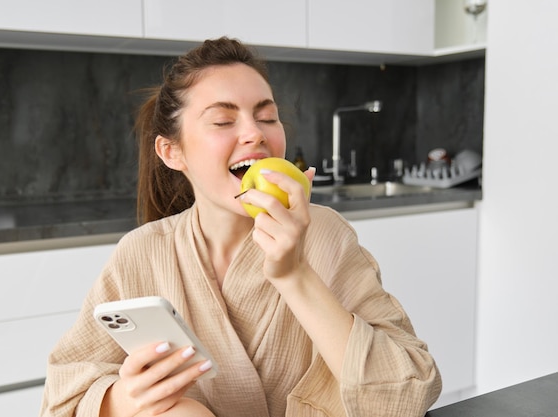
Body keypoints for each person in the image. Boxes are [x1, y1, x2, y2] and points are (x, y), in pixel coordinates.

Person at [40, 37, 442, 417]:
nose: (255, 133)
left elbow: (408, 391)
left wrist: (295, 274)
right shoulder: (143, 252)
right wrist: (127, 399)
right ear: (172, 151)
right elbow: (62, 397)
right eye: (222, 121)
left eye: (267, 117)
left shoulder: (325, 234)